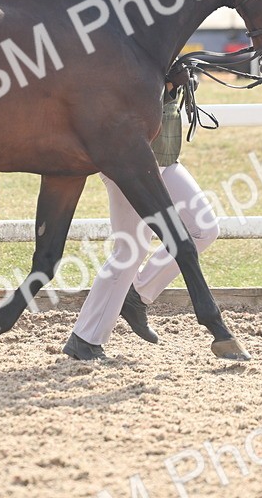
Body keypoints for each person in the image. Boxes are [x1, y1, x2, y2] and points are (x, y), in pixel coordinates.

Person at [63, 76, 221, 360]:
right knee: (130, 249)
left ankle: (137, 294)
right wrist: (169, 85)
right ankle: (85, 339)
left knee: (204, 228)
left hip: (164, 159)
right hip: (128, 161)